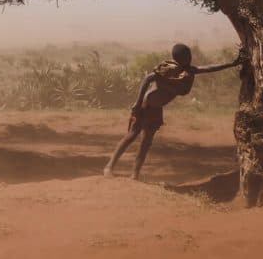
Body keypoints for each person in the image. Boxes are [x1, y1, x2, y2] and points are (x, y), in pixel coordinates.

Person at [103, 43, 245, 180]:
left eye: (189, 55)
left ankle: (135, 174)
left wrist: (232, 64)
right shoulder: (167, 68)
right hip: (146, 105)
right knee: (131, 136)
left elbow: (209, 68)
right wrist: (138, 102)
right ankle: (109, 167)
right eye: (186, 56)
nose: (189, 58)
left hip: (157, 109)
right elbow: (147, 79)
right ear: (179, 58)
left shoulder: (189, 71)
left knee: (146, 142)